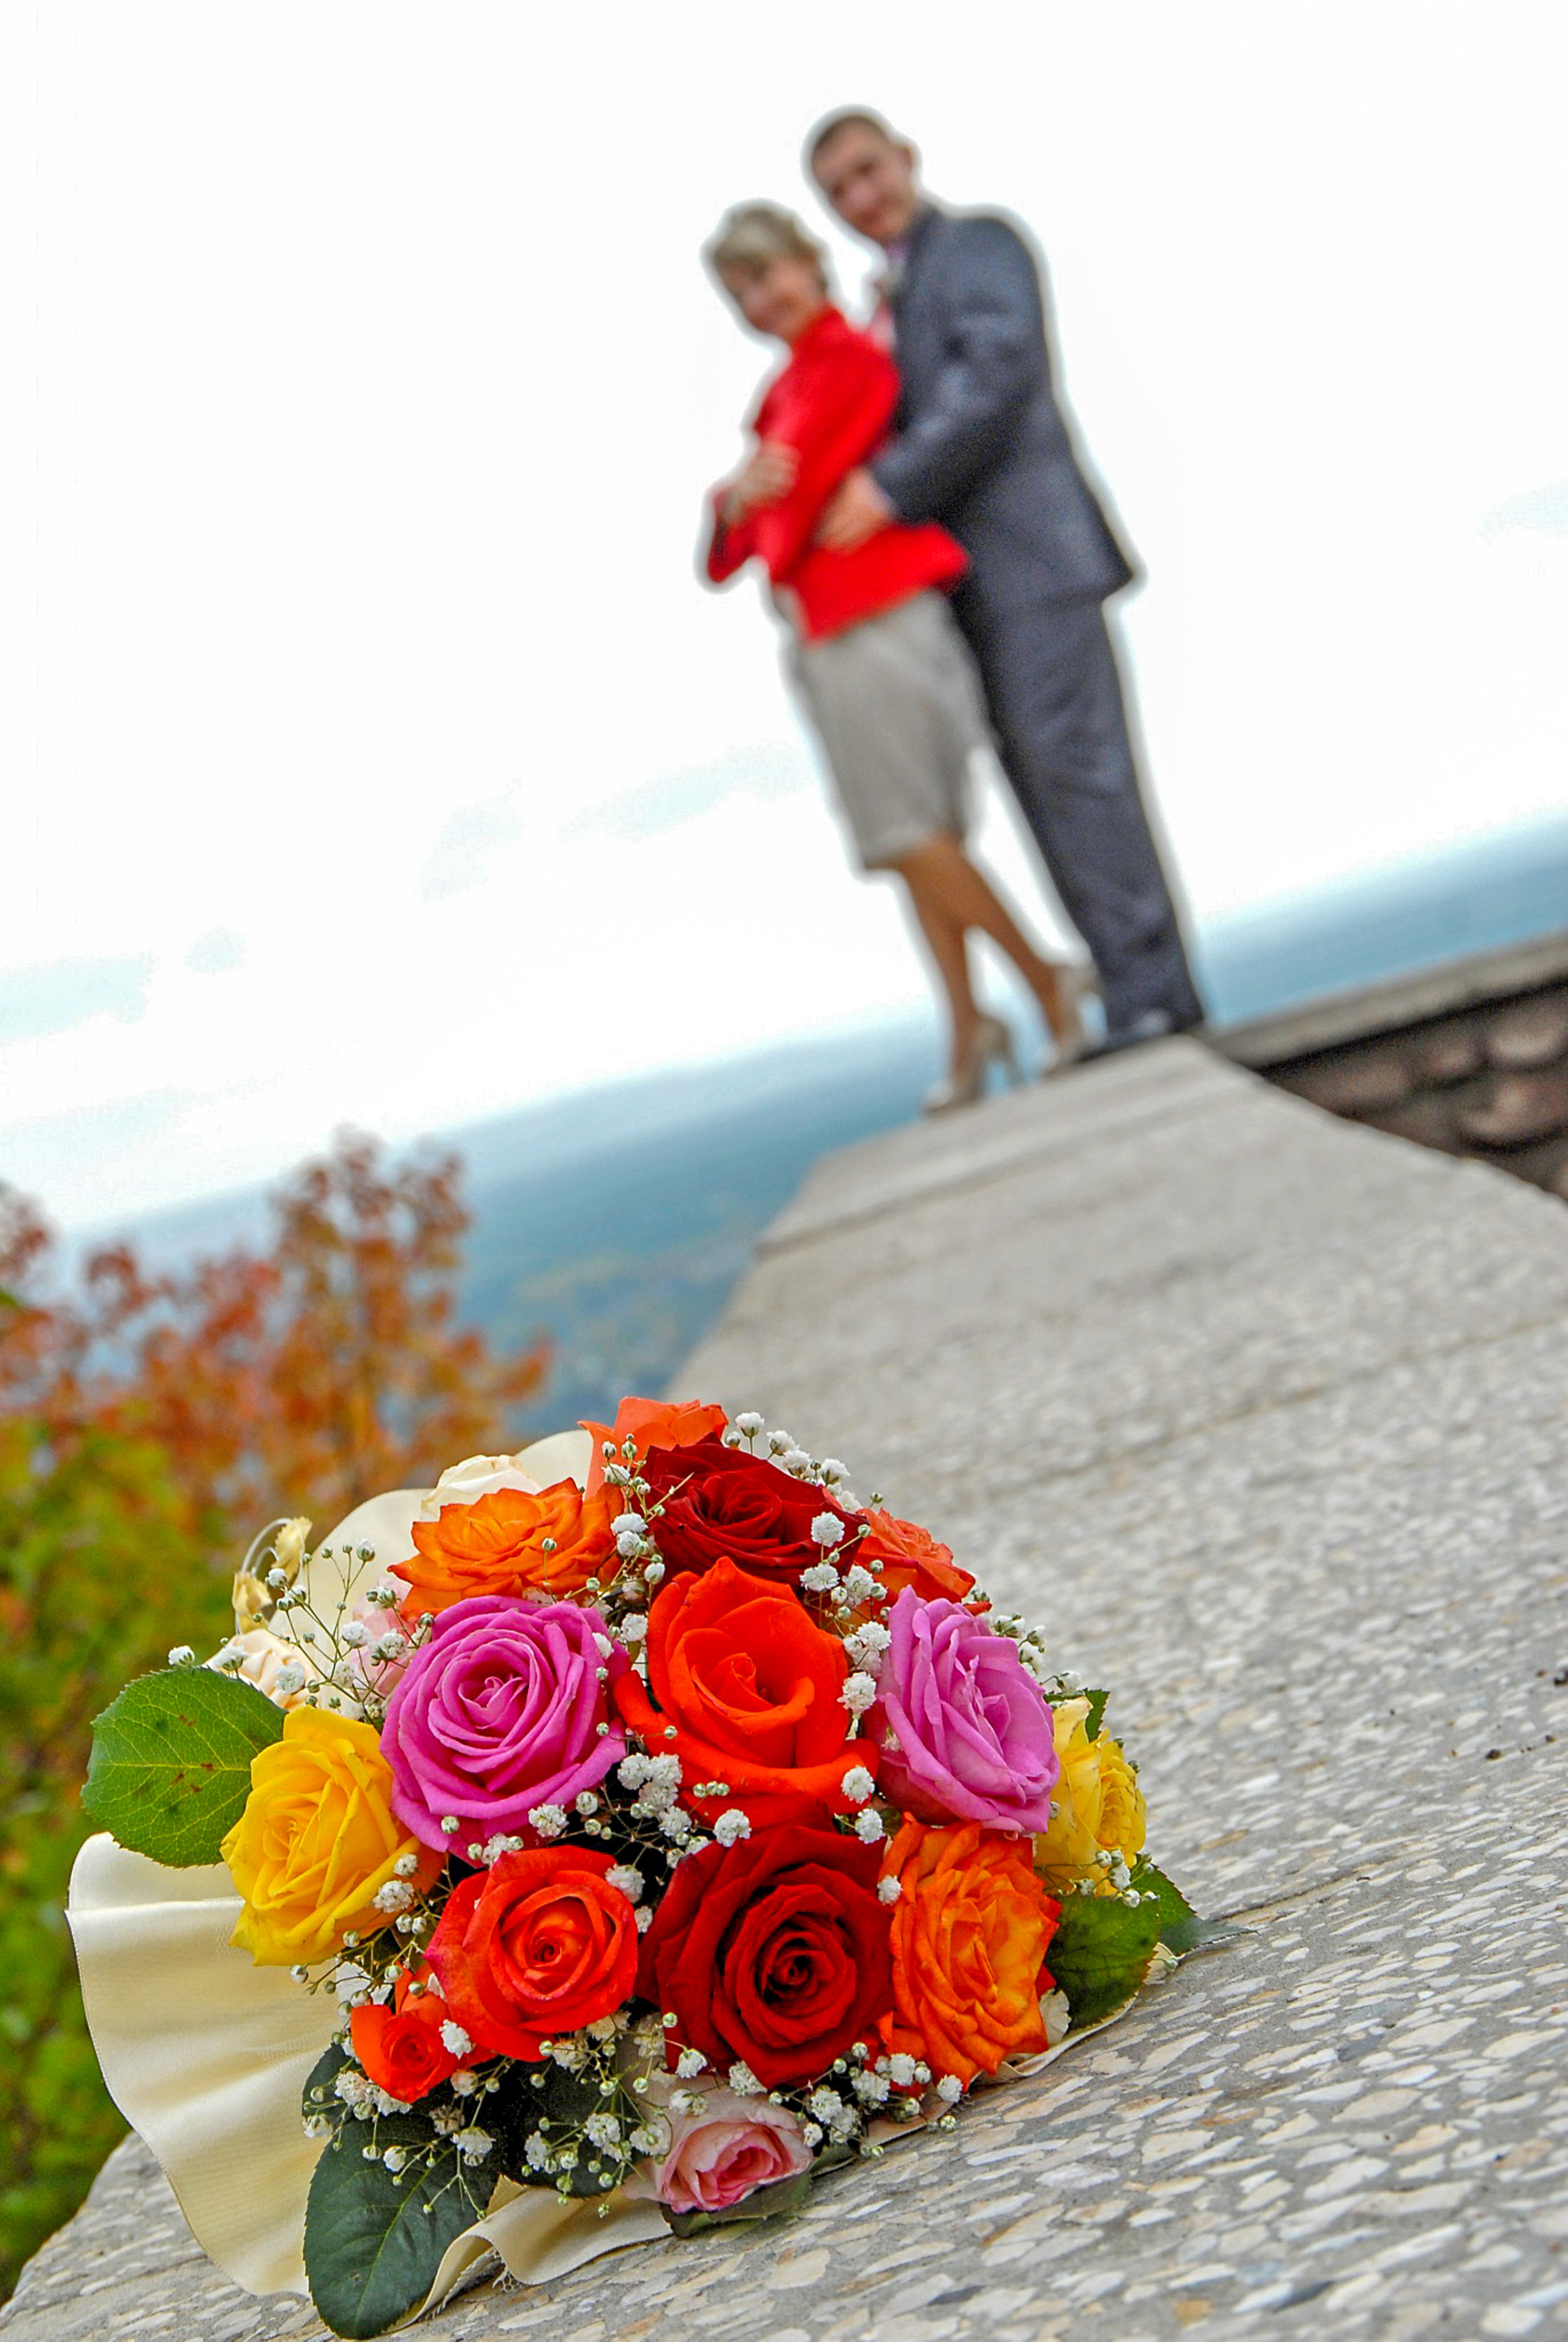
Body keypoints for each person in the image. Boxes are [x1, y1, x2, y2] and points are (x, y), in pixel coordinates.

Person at [807, 110, 1204, 1052]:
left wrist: (889, 486)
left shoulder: (979, 244)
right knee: (1045, 789)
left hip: (1037, 565)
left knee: (1084, 782)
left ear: (906, 158)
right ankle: (1130, 991)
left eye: (868, 171)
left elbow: (997, 374)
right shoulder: (891, 301)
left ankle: (1155, 994)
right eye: (840, 192)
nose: (862, 197)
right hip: (973, 592)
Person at [701, 201, 1095, 1109]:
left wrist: (747, 501)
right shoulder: (783, 390)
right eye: (740, 292)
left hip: (868, 612)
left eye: (766, 277)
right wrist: (735, 502)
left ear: (807, 263)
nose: (759, 301)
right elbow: (731, 551)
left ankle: (1043, 980)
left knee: (906, 835)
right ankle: (968, 1030)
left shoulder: (844, 362)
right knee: (921, 839)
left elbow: (783, 526)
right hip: (831, 624)